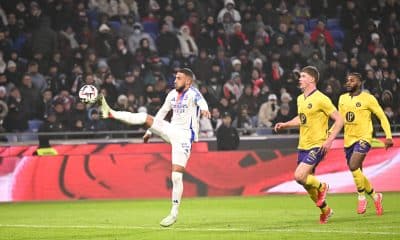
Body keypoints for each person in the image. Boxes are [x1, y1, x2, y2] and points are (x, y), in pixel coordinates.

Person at [99, 68, 210, 227]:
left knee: (176, 177)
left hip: (185, 137)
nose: (175, 80)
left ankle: (174, 213)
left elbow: (202, 102)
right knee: (145, 117)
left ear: (188, 81)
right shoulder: (172, 95)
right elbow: (162, 112)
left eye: (179, 78)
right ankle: (111, 113)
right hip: (171, 129)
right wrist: (150, 131)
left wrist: (205, 109)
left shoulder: (194, 93)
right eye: (175, 77)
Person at [274, 66, 344, 224]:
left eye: (303, 76)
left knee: (299, 175)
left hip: (317, 145)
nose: (300, 79)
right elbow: (302, 119)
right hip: (303, 146)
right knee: (304, 182)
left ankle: (323, 186)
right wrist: (285, 124)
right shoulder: (300, 99)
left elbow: (339, 119)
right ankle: (326, 210)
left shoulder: (321, 98)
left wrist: (329, 139)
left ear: (312, 79)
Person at [336, 72, 393, 215]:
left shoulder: (368, 99)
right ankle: (375, 196)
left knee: (353, 165)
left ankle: (361, 197)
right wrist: (329, 135)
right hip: (349, 139)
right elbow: (340, 120)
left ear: (359, 83)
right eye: (347, 80)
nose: (348, 82)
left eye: (352, 80)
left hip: (364, 138)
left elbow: (381, 116)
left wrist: (388, 136)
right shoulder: (342, 99)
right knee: (358, 172)